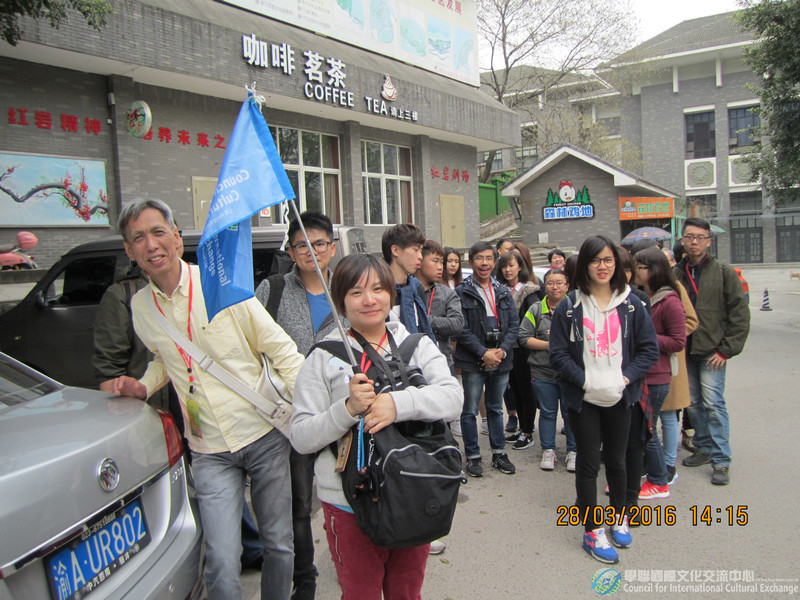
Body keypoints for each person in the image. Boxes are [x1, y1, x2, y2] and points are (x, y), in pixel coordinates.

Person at [107, 198, 303, 600]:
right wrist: (143, 386)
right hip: (208, 448)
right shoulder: (141, 307)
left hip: (263, 433)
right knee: (221, 559)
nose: (151, 244)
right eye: (139, 238)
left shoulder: (219, 284)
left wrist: (309, 413)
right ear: (129, 250)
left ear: (177, 238)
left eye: (158, 232)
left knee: (278, 544)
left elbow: (280, 348)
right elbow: (165, 358)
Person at [290, 254, 462, 600]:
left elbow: (453, 398)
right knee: (360, 593)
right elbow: (301, 437)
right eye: (356, 292)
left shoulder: (417, 345)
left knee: (406, 592)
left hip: (413, 490)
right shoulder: (323, 357)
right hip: (348, 502)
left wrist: (398, 404)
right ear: (340, 301)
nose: (369, 300)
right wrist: (347, 410)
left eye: (378, 289)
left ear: (391, 294)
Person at [549, 235, 658, 564]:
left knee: (618, 460)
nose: (603, 266)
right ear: (584, 264)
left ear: (617, 264)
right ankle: (592, 531)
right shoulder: (569, 306)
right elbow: (558, 354)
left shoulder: (632, 304)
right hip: (584, 398)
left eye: (608, 259)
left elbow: (648, 350)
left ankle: (619, 517)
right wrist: (586, 381)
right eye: (596, 260)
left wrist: (623, 379)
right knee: (587, 464)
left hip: (620, 397)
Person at [254, 210, 339, 600]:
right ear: (290, 251)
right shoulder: (271, 289)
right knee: (299, 504)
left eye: (318, 243)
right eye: (302, 245)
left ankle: (354, 559)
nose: (311, 251)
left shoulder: (347, 288)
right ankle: (305, 577)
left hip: (341, 411)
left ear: (332, 248)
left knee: (352, 492)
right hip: (291, 415)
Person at [673, 218, 750, 486]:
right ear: (682, 240)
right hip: (685, 350)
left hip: (713, 351)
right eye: (689, 237)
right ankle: (703, 447)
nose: (694, 241)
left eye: (699, 237)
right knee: (693, 403)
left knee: (714, 404)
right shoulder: (676, 273)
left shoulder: (724, 272)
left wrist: (726, 350)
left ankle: (721, 460)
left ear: (708, 241)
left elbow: (740, 314)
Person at [455, 241, 519, 477]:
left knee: (495, 409)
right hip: (474, 361)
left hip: (501, 359)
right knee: (470, 410)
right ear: (471, 261)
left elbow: (514, 325)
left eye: (489, 258)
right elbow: (461, 329)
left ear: (495, 261)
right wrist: (483, 352)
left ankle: (499, 453)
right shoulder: (461, 292)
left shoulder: (503, 291)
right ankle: (473, 456)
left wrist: (502, 350)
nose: (484, 263)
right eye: (479, 258)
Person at [633, 247, 687, 501]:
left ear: (653, 270)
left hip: (657, 374)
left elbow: (678, 341)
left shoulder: (669, 301)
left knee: (647, 430)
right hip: (641, 372)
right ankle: (651, 474)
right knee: (642, 428)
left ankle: (658, 480)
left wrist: (645, 336)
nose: (636, 272)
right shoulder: (644, 296)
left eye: (640, 267)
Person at [518, 268, 577, 471]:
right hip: (542, 371)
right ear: (544, 286)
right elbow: (524, 337)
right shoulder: (536, 309)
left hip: (570, 373)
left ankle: (573, 451)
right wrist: (549, 345)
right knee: (548, 412)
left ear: (567, 286)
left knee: (570, 413)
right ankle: (548, 450)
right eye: (550, 283)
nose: (555, 287)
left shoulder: (575, 307)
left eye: (559, 283)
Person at [495, 250, 539, 442]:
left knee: (526, 390)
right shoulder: (500, 289)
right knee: (515, 390)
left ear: (520, 267)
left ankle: (528, 431)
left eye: (511, 265)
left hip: (523, 348)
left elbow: (533, 320)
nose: (508, 270)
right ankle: (522, 428)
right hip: (507, 348)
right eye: (504, 266)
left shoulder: (529, 291)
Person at [415, 239, 464, 374]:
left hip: (443, 363)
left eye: (442, 262)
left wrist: (424, 320)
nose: (440, 267)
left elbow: (457, 324)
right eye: (435, 261)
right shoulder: (405, 292)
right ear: (419, 260)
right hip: (413, 365)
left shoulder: (447, 293)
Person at [381, 223, 436, 343]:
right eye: (416, 250)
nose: (420, 256)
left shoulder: (416, 289)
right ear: (395, 250)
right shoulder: (379, 291)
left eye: (421, 251)